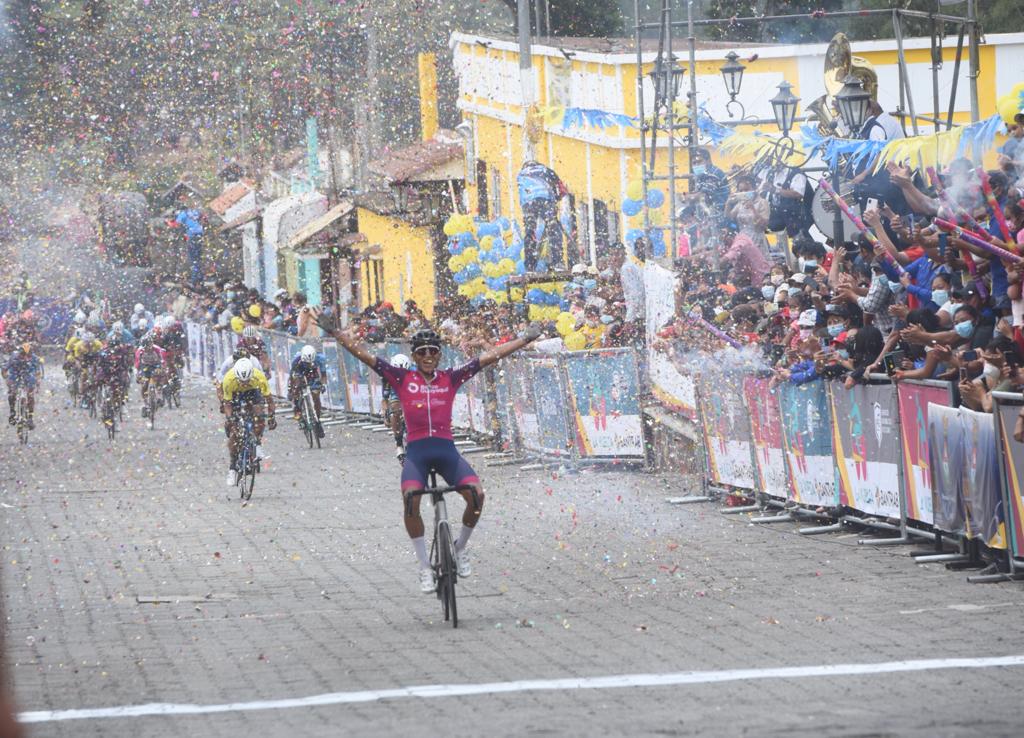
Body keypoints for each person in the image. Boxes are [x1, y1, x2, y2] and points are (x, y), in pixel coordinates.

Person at [317, 314, 542, 593]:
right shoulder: (402, 377)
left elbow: (489, 358)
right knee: (410, 498)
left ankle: (460, 547)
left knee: (477, 495)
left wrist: (525, 339)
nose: (427, 356)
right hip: (418, 455)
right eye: (421, 352)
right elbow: (365, 356)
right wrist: (337, 333)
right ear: (414, 355)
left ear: (439, 355)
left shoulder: (451, 377)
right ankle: (424, 565)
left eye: (432, 351)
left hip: (446, 452)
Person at [221, 357, 276, 486]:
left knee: (259, 415)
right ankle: (232, 468)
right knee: (235, 433)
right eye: (242, 381)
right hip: (235, 394)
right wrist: (230, 419)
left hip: (253, 392)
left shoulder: (259, 377)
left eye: (247, 380)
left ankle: (256, 443)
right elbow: (227, 404)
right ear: (237, 376)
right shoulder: (229, 379)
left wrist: (271, 416)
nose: (244, 383)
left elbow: (269, 400)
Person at [288, 344, 326, 434]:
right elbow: (291, 378)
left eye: (310, 362)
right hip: (300, 372)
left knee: (316, 395)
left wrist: (323, 385)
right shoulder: (296, 360)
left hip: (312, 373)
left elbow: (324, 375)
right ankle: (297, 410)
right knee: (296, 386)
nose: (308, 364)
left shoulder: (320, 359)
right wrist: (291, 390)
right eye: (307, 362)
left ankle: (317, 420)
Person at [3, 343, 41, 429]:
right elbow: (5, 370)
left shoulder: (34, 358)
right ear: (19, 354)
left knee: (30, 395)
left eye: (28, 355)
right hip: (15, 374)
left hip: (28, 374)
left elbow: (38, 373)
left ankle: (30, 418)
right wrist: (7, 380)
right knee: (13, 393)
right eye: (23, 355)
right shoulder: (14, 357)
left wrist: (38, 383)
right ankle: (12, 412)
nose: (25, 358)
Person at [383, 353, 411, 462]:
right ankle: (399, 443)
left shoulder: (415, 372)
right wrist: (385, 413)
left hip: (411, 396)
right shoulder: (387, 376)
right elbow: (385, 398)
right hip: (396, 396)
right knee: (395, 411)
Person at [134, 335, 170, 420]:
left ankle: (159, 394)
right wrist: (138, 374)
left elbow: (163, 360)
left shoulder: (157, 349)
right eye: (145, 347)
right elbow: (137, 364)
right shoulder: (139, 351)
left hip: (155, 366)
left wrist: (163, 369)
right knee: (144, 384)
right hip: (144, 367)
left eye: (149, 346)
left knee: (159, 377)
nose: (148, 349)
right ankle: (146, 402)